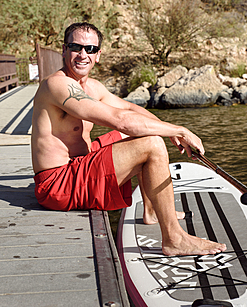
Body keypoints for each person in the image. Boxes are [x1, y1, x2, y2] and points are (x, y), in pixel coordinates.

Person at [31, 22, 226, 256]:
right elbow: (121, 119)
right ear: (64, 50)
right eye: (76, 47)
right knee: (151, 144)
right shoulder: (57, 84)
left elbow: (129, 107)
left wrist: (166, 129)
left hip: (79, 167)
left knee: (147, 133)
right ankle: (174, 239)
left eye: (90, 49)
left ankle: (153, 210)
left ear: (98, 55)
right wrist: (179, 131)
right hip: (58, 185)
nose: (83, 54)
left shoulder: (92, 87)